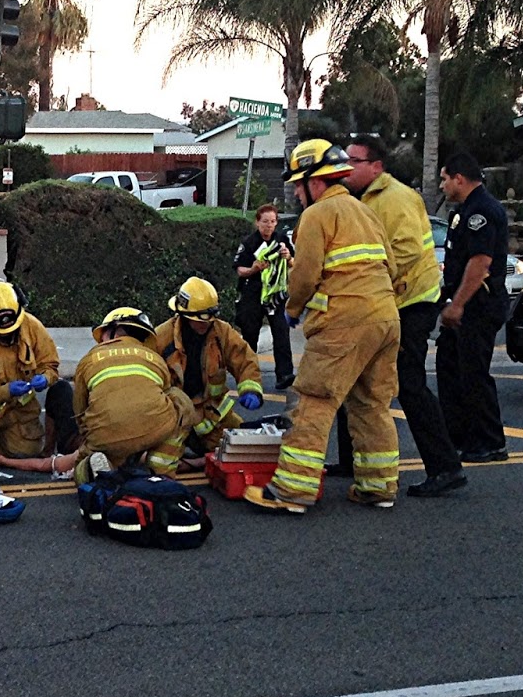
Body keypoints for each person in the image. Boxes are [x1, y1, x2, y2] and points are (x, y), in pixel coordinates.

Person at [245, 139, 401, 514]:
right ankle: (378, 487)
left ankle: (292, 492)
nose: (297, 194)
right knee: (371, 405)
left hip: (343, 323)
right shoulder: (366, 213)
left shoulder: (316, 216)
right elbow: (393, 269)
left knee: (314, 401)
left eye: (299, 185)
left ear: (315, 181)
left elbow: (304, 275)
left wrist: (293, 309)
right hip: (386, 319)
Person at [330, 137, 465, 497]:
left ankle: (445, 467)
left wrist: (372, 282)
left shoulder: (397, 198)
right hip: (381, 303)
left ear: (376, 166)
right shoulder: (358, 199)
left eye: (353, 161)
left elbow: (404, 251)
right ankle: (351, 460)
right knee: (354, 375)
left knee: (409, 384)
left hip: (411, 305)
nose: (345, 167)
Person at [0, 307, 196, 483]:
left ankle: (93, 471)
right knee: (179, 400)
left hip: (101, 438)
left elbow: (80, 413)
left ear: (113, 332)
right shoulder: (155, 359)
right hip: (153, 434)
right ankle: (161, 471)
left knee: (80, 465)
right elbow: (166, 399)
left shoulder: (90, 360)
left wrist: (5, 461)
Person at [435, 150, 509, 468]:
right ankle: (461, 437)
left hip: (478, 306)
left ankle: (490, 442)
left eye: (444, 179)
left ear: (459, 179)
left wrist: (458, 305)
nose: (442, 186)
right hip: (462, 305)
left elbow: (480, 264)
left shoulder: (482, 212)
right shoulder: (464, 210)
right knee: (450, 368)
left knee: (474, 373)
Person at [0, 280, 77, 466]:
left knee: (25, 454)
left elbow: (50, 365)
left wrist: (45, 377)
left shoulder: (33, 328)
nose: (7, 335)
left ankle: (1, 447)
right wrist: (6, 390)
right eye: (1, 332)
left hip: (19, 414)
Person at [152, 277, 265, 472]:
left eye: (211, 317)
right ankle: (195, 459)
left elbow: (245, 359)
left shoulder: (222, 332)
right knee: (159, 462)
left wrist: (250, 388)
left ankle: (198, 456)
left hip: (212, 415)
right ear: (185, 315)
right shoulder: (161, 338)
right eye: (201, 319)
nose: (207, 324)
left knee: (244, 449)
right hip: (176, 416)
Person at [233, 203, 296, 389]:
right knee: (250, 335)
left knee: (281, 332)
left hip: (275, 296)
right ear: (257, 222)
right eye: (265, 221)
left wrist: (288, 257)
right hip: (252, 295)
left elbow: (294, 263)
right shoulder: (249, 243)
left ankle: (284, 374)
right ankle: (248, 375)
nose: (269, 225)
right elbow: (239, 270)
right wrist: (253, 268)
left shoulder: (282, 240)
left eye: (273, 221)